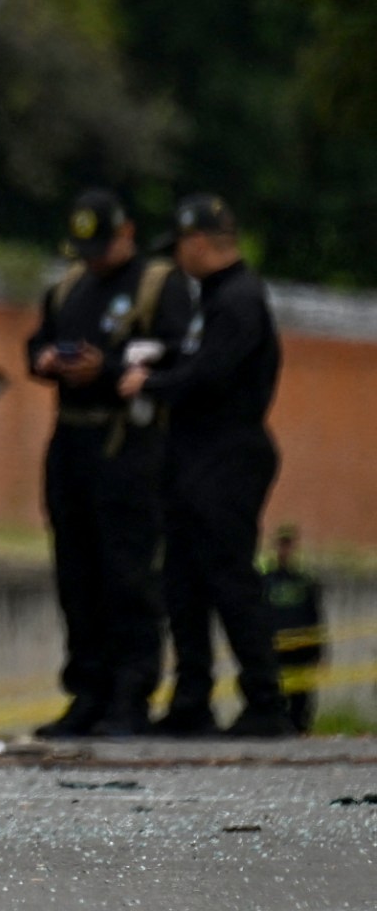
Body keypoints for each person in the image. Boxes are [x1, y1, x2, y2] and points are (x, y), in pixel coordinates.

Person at [121, 193, 290, 737]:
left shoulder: (238, 299)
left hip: (227, 454)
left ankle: (265, 701)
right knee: (184, 580)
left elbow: (212, 376)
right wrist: (165, 359)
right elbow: (199, 362)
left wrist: (153, 383)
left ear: (199, 243)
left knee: (229, 577)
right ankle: (192, 699)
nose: (176, 261)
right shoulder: (214, 299)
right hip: (195, 455)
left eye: (180, 249)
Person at [27, 189, 192, 738]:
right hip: (71, 443)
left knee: (128, 573)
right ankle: (87, 691)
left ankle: (131, 693)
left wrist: (108, 367)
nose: (93, 258)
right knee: (76, 574)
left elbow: (177, 357)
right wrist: (48, 360)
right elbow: (37, 342)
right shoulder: (70, 287)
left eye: (102, 246)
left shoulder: (158, 285)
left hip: (125, 445)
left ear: (128, 233)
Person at [260, 524, 326, 733]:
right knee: (274, 693)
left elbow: (315, 618)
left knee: (301, 698)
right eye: (281, 545)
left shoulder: (304, 582)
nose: (284, 550)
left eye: (288, 545)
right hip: (274, 650)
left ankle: (299, 731)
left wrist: (318, 650)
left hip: (301, 651)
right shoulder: (264, 582)